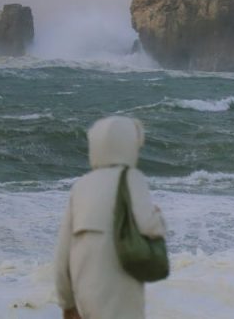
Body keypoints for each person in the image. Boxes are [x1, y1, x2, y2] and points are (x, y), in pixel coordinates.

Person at [55, 116, 167, 319]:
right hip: (120, 292)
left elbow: (63, 252)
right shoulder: (132, 178)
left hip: (84, 291)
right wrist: (158, 216)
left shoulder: (80, 186)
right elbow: (149, 226)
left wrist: (67, 303)